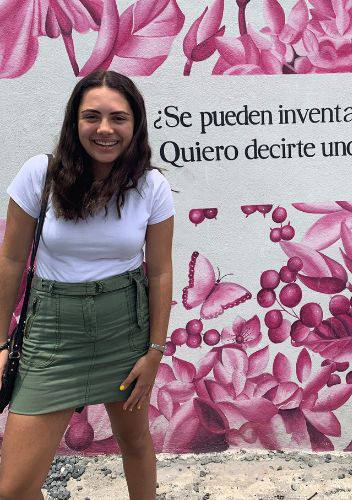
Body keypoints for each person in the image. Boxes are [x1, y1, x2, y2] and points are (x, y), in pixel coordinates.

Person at [0, 70, 174, 500]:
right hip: (53, 334)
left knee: (134, 442)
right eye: (91, 116)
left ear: (135, 125)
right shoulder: (39, 175)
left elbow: (160, 272)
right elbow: (10, 260)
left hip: (125, 329)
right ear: (74, 122)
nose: (105, 129)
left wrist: (154, 352)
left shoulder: (151, 187)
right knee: (15, 488)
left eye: (119, 118)